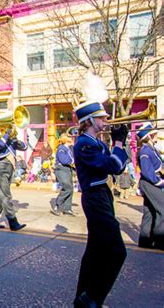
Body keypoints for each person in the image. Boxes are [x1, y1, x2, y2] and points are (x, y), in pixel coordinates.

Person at [72, 99, 128, 307]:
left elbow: (119, 166)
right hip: (95, 197)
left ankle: (82, 299)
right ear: (89, 121)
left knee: (94, 253)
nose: (106, 120)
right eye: (101, 117)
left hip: (103, 195)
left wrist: (117, 145)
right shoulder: (84, 144)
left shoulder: (98, 143)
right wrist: (119, 144)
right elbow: (113, 165)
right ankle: (92, 298)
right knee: (116, 251)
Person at [0, 129, 27, 231]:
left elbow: (24, 147)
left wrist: (15, 139)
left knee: (1, 195)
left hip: (10, 167)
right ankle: (12, 221)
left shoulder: (11, 141)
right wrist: (6, 135)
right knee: (6, 195)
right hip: (2, 166)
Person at [136, 124, 164, 250]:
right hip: (150, 182)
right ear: (149, 136)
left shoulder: (151, 149)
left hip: (150, 182)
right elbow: (148, 171)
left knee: (149, 211)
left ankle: (145, 240)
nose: (156, 136)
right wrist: (159, 182)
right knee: (162, 209)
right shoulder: (145, 151)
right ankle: (160, 240)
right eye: (154, 134)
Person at [51, 133, 75, 216]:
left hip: (68, 169)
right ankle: (57, 206)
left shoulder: (69, 148)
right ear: (66, 140)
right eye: (70, 137)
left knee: (70, 189)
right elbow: (64, 160)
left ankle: (67, 208)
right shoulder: (61, 148)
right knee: (67, 188)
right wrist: (73, 161)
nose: (72, 138)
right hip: (62, 169)